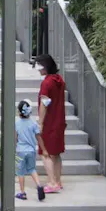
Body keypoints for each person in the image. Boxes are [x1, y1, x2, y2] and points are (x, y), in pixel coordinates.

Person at [36, 62, 68, 201]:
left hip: (49, 122)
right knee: (56, 153)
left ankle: (51, 182)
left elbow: (44, 103)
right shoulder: (59, 80)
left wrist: (41, 123)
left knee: (45, 153)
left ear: (45, 67)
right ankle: (58, 181)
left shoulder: (46, 83)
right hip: (59, 120)